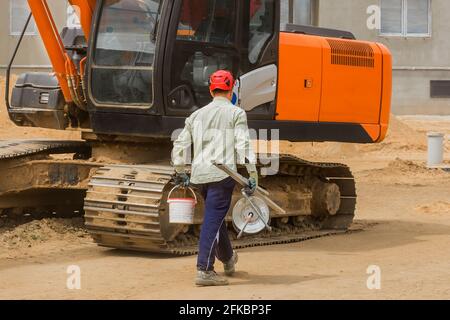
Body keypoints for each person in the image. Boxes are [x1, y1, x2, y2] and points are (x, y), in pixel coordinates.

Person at [171, 70, 258, 286]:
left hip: (200, 176)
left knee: (214, 218)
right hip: (222, 175)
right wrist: (252, 173)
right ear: (231, 91)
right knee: (213, 219)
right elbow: (243, 144)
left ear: (211, 90)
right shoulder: (236, 113)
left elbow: (180, 144)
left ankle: (228, 259)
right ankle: (204, 269)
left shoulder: (196, 115)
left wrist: (180, 171)